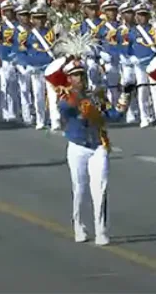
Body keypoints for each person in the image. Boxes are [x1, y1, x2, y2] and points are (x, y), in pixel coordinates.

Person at [57, 57, 133, 246]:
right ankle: (79, 225)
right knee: (80, 190)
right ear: (68, 78)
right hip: (77, 147)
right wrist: (80, 102)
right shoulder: (66, 96)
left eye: (81, 74)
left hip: (99, 145)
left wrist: (125, 96)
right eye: (75, 75)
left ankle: (101, 230)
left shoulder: (96, 95)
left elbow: (114, 115)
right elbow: (65, 111)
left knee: (100, 188)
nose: (79, 78)